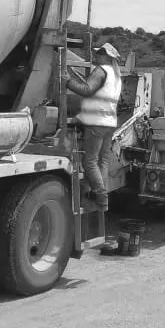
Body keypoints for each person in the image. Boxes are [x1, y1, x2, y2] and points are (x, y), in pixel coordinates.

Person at [64, 43, 122, 206]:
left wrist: (68, 81)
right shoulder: (115, 74)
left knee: (89, 161)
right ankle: (100, 197)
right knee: (102, 161)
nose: (96, 56)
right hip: (109, 123)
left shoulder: (101, 70)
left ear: (107, 56)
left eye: (99, 53)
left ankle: (101, 196)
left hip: (96, 123)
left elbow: (87, 89)